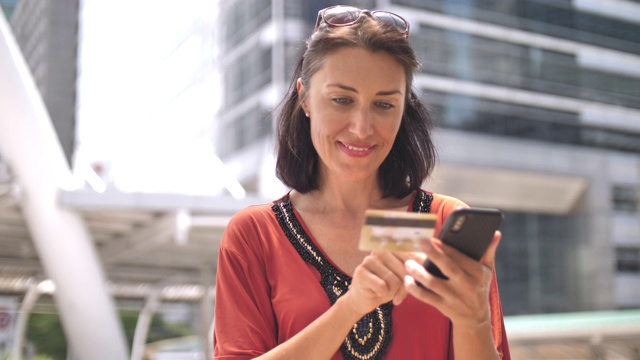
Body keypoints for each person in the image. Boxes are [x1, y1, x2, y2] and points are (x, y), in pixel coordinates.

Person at [213, 5, 510, 360]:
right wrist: (352, 305)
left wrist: (474, 321)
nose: (362, 127)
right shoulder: (255, 234)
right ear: (305, 97)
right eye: (342, 100)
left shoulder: (442, 221)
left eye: (384, 105)